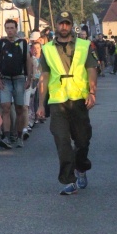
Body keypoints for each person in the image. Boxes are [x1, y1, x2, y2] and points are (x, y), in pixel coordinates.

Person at [37, 11, 98, 195]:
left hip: (79, 100)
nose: (64, 27)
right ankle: (69, 180)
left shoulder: (84, 45)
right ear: (56, 25)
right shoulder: (47, 49)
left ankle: (81, 168)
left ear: (72, 26)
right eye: (61, 23)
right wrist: (41, 105)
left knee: (82, 141)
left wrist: (92, 92)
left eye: (67, 23)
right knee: (62, 141)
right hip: (58, 102)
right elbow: (44, 78)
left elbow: (92, 69)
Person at [0, 19, 33, 149]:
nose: (10, 30)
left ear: (16, 29)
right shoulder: (0, 43)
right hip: (5, 79)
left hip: (19, 78)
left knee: (19, 108)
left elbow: (28, 60)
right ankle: (6, 136)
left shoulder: (23, 43)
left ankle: (19, 135)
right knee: (5, 107)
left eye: (12, 28)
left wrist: (29, 78)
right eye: (8, 28)